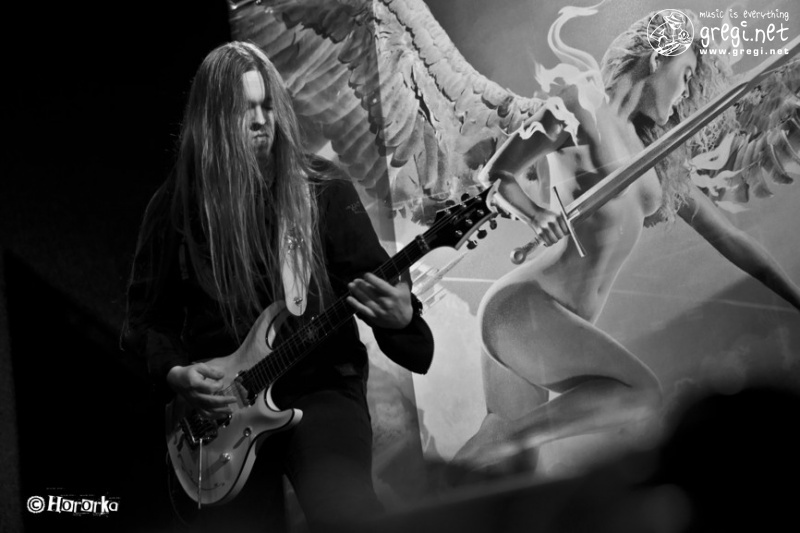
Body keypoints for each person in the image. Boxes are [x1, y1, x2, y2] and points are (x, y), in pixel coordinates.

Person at [452, 11, 800, 474]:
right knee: (639, 392)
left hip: (550, 323)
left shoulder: (656, 160)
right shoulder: (580, 105)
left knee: (510, 471)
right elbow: (496, 176)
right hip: (525, 307)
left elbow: (730, 238)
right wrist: (537, 214)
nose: (685, 94)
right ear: (659, 58)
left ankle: (453, 480)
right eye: (687, 75)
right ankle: (494, 447)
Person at [121, 41, 434, 532]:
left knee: (346, 512)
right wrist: (177, 374)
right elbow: (145, 321)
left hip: (320, 387)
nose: (261, 120)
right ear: (211, 120)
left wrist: (402, 319)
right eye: (245, 110)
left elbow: (379, 285)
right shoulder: (174, 209)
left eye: (268, 106)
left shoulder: (320, 188)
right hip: (219, 414)